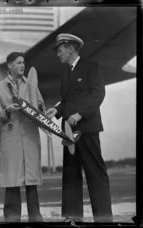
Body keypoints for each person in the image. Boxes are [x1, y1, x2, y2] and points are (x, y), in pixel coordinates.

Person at [46, 33, 113, 223]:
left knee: (95, 172)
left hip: (87, 129)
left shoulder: (91, 67)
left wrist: (80, 114)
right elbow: (67, 100)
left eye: (60, 50)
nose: (58, 55)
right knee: (70, 173)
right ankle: (72, 216)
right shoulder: (66, 73)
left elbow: (98, 93)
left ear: (70, 48)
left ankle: (103, 217)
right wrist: (55, 110)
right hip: (68, 132)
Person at [0, 52, 45, 222]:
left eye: (24, 63)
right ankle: (12, 218)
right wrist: (7, 110)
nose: (23, 65)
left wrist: (41, 107)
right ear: (9, 65)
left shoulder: (31, 85)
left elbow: (41, 109)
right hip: (11, 136)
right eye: (19, 62)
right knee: (12, 180)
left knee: (31, 181)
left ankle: (35, 217)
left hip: (29, 137)